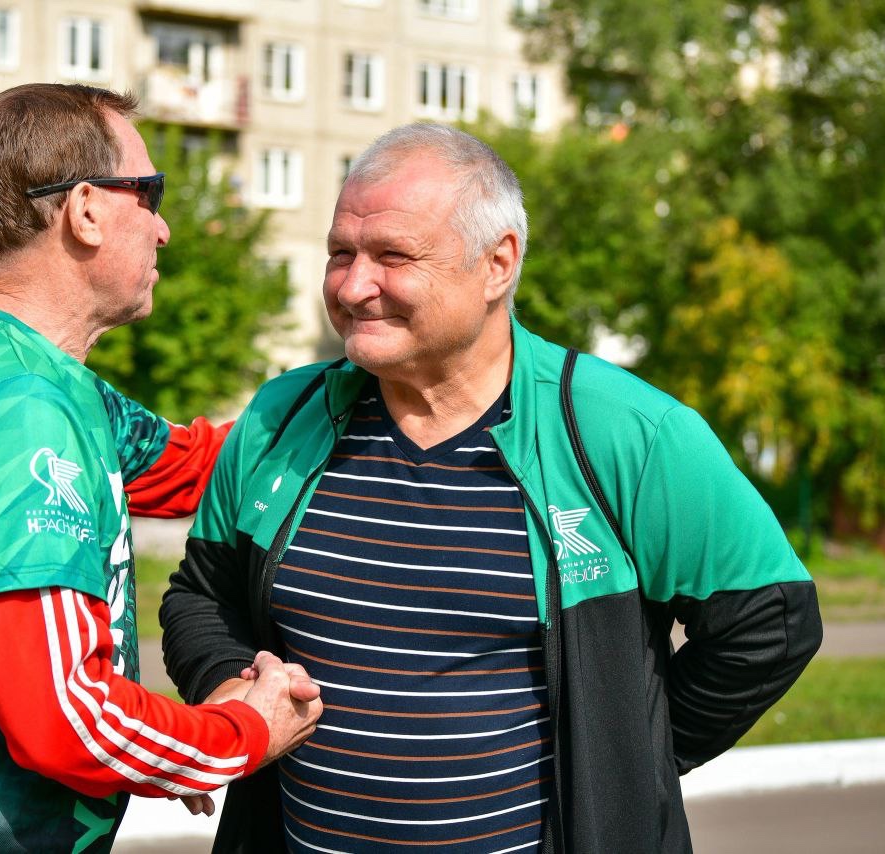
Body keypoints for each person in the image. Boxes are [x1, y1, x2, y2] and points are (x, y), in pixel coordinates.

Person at [160, 123, 822, 853]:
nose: (352, 286)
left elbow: (770, 624)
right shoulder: (281, 417)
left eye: (393, 256)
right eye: (340, 253)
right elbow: (202, 595)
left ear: (497, 264)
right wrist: (227, 686)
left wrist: (625, 764)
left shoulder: (627, 431)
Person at [0, 84, 321, 853]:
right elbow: (64, 720)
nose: (164, 228)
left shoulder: (12, 365)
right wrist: (240, 731)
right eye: (149, 195)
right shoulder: (21, 414)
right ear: (85, 210)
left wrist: (359, 380)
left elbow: (202, 468)